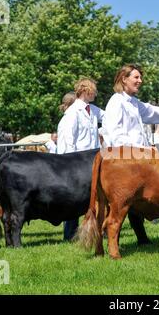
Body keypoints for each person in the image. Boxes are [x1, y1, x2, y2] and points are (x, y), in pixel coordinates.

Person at [57, 78, 105, 241]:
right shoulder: (72, 113)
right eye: (94, 91)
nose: (96, 94)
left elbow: (109, 118)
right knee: (74, 199)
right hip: (76, 163)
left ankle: (92, 230)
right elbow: (68, 140)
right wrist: (69, 166)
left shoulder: (91, 109)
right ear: (85, 91)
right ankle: (69, 234)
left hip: (92, 161)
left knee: (90, 198)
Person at [103, 64, 159, 148]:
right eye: (136, 77)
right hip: (124, 159)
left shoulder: (134, 102)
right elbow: (117, 137)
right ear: (124, 79)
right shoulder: (116, 101)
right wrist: (142, 149)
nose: (140, 81)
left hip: (136, 157)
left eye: (140, 78)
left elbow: (153, 112)